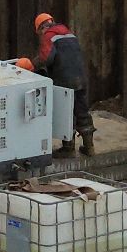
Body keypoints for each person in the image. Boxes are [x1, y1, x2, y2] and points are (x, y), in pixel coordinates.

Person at [32, 13, 95, 156]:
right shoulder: (68, 33)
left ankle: (68, 148)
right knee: (82, 110)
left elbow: (46, 58)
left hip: (65, 80)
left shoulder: (49, 36)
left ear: (41, 28)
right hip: (80, 77)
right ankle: (89, 146)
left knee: (66, 112)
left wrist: (31, 65)